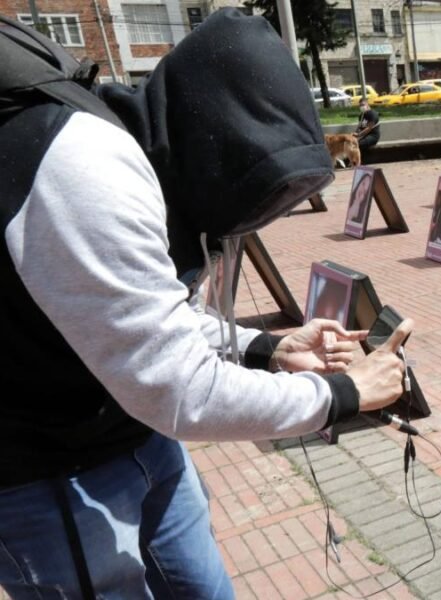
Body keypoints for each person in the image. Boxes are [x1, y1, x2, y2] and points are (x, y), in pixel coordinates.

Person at [0, 11, 411, 598]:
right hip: (46, 471)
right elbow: (177, 389)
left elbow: (143, 312)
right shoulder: (86, 171)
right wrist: (342, 395)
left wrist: (266, 347)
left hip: (136, 434)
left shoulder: (146, 150)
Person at [354, 98, 380, 163]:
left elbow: (369, 128)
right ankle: (357, 161)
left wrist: (359, 135)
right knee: (352, 143)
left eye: (363, 105)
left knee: (359, 144)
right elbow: (359, 127)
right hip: (364, 136)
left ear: (367, 104)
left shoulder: (373, 114)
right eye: (360, 106)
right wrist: (354, 134)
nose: (361, 107)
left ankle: (360, 162)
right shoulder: (361, 115)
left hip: (372, 136)